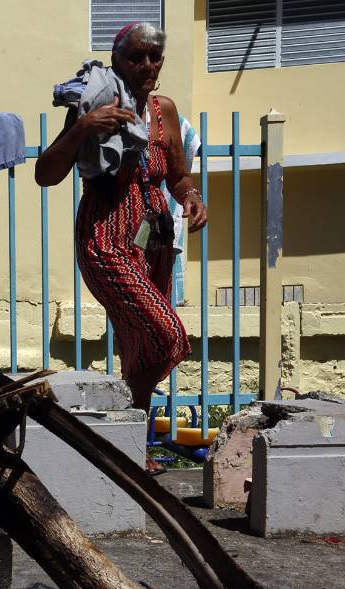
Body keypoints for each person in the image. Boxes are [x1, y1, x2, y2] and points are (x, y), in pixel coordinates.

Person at [35, 22, 207, 474]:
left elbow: (177, 174)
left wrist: (190, 194)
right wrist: (84, 127)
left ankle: (131, 447)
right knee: (167, 333)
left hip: (155, 240)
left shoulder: (164, 110)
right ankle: (126, 427)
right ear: (117, 61)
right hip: (106, 239)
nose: (147, 66)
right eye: (136, 57)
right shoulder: (92, 104)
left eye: (155, 57)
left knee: (140, 344)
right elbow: (45, 174)